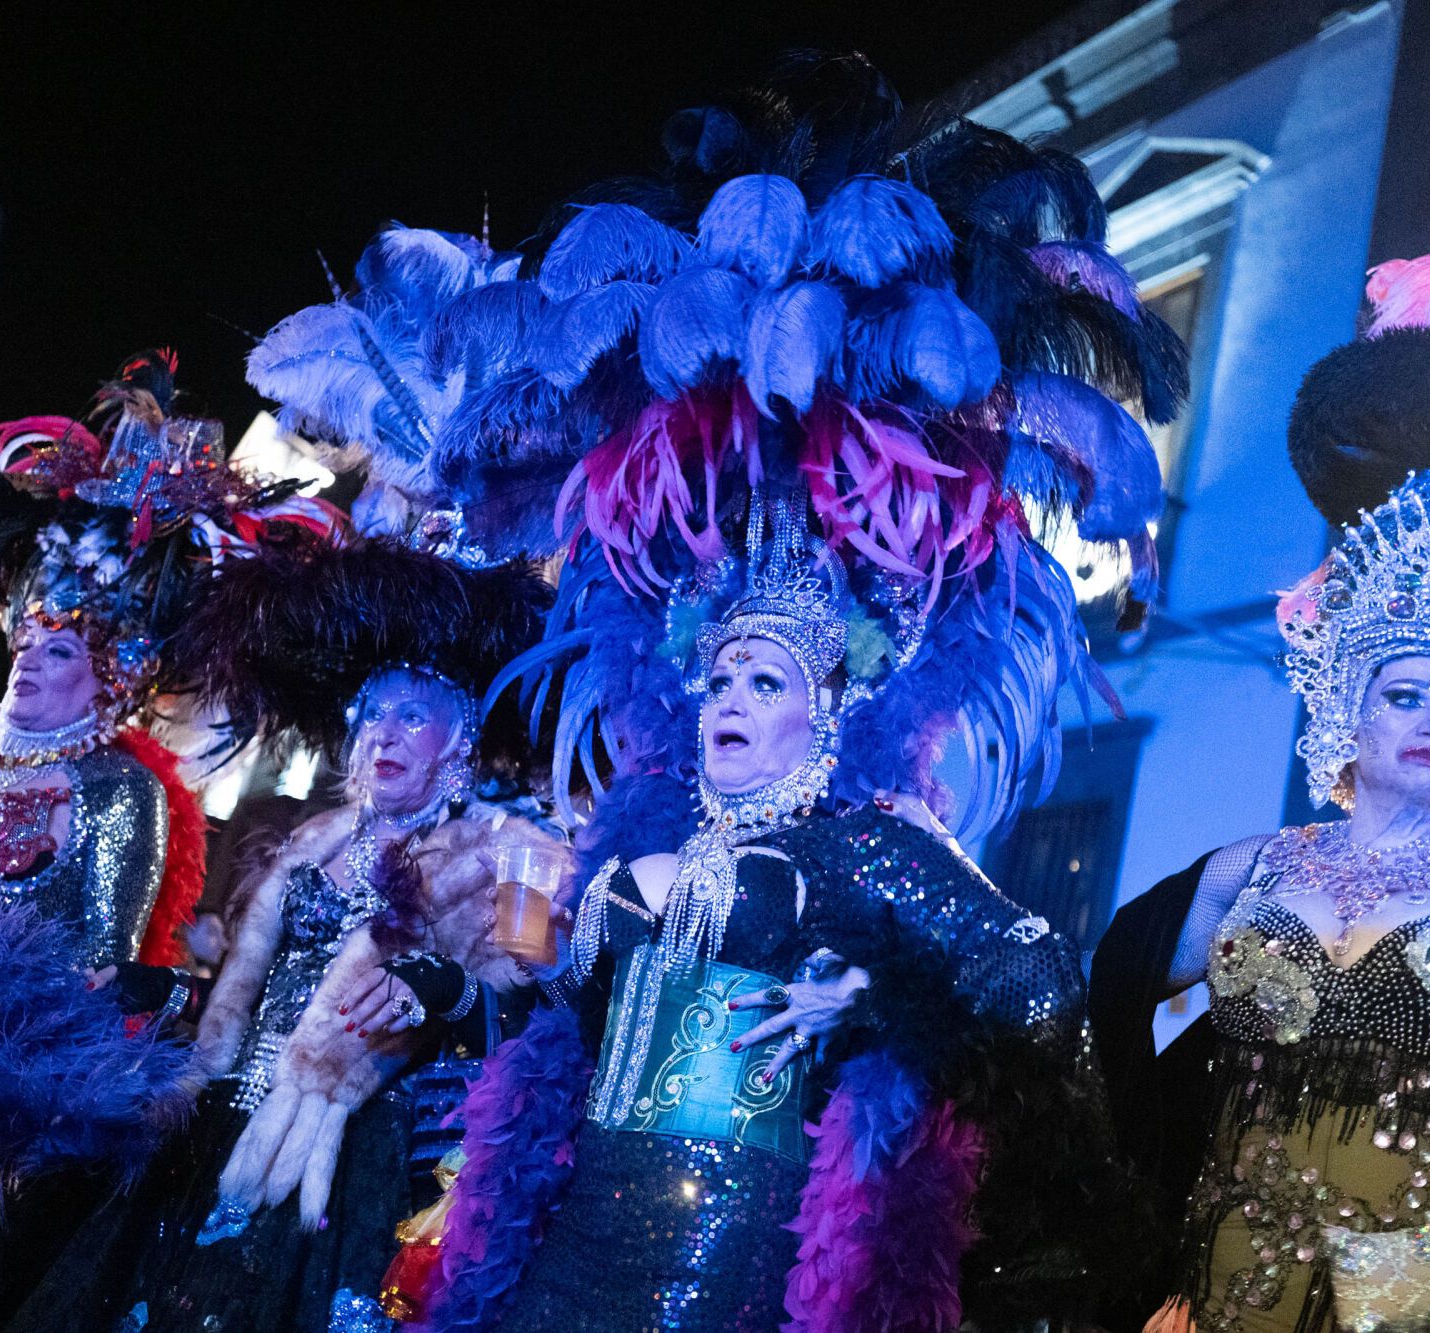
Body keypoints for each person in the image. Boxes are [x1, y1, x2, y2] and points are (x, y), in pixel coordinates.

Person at [417, 52, 1186, 1331]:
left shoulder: (863, 846)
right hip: (570, 1239)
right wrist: (470, 962)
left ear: (823, 711)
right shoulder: (640, 830)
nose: (727, 695)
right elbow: (553, 1027)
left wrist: (878, 1001)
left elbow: (1036, 978)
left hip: (739, 1258)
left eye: (763, 676)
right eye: (719, 673)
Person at [3, 277, 557, 1330]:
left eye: (413, 716)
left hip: (357, 1157)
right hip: (217, 1126)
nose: (384, 733)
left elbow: (538, 1000)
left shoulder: (502, 852)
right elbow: (234, 999)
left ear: (457, 744)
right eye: (373, 713)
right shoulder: (307, 843)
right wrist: (165, 1005)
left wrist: (442, 988)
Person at [0, 351, 325, 1330]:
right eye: (25, 644)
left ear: (111, 680)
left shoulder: (121, 790)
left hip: (0, 1102)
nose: (28, 666)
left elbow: (103, 972)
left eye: (57, 652)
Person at [1092, 471, 1430, 1333]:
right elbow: (1101, 1007)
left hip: (1423, 1293)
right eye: (1405, 696)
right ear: (1349, 710)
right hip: (1232, 1277)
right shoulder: (1252, 869)